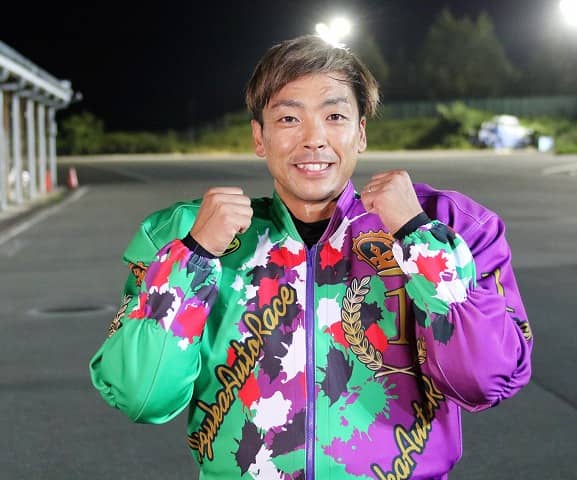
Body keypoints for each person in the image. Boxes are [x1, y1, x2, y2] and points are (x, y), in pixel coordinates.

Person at [90, 34, 533, 480]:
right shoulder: (182, 235)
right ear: (259, 137)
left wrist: (419, 238)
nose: (314, 139)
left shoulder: (454, 224)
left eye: (334, 116)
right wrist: (195, 257)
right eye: (288, 118)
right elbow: (142, 395)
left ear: (361, 132)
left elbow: (483, 380)